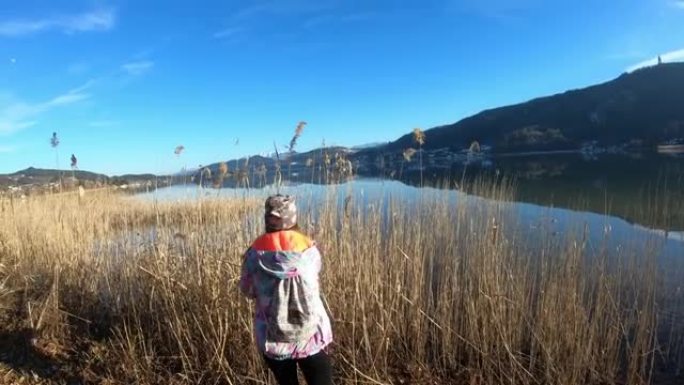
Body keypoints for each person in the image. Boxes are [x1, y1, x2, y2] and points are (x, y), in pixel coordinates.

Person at [239, 194, 333, 385]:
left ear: (267, 219)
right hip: (311, 335)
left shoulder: (253, 255)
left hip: (273, 339)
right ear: (293, 218)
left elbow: (247, 290)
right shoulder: (310, 251)